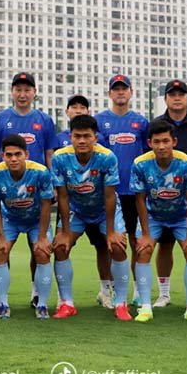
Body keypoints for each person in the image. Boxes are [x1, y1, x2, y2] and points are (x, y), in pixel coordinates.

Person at [50, 115, 131, 321]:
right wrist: (65, 231)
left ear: (95, 137)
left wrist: (112, 231)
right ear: (71, 137)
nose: (82, 140)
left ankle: (121, 303)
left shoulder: (107, 157)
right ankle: (66, 303)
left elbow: (110, 194)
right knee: (60, 246)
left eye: (87, 136)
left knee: (119, 246)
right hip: (77, 210)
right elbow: (63, 195)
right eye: (77, 136)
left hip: (105, 210)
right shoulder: (60, 158)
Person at [129, 120, 187, 324]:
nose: (161, 146)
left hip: (181, 216)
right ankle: (145, 306)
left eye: (166, 141)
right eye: (157, 142)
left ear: (174, 141)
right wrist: (145, 234)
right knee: (143, 250)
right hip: (153, 215)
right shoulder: (140, 164)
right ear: (149, 143)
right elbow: (139, 199)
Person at [151, 80, 187, 309]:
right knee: (164, 245)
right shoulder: (156, 124)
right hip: (163, 195)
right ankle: (164, 294)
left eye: (181, 94)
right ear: (165, 98)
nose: (177, 98)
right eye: (172, 94)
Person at [51, 94, 111, 311]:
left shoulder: (102, 146)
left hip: (98, 203)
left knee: (105, 246)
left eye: (82, 107)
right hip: (72, 204)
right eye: (73, 106)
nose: (78, 110)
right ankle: (63, 298)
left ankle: (106, 292)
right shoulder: (59, 142)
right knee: (61, 244)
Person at [94, 74, 149, 307]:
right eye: (115, 89)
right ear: (109, 94)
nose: (120, 93)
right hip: (109, 192)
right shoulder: (99, 121)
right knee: (107, 243)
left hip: (134, 192)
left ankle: (137, 289)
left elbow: (148, 155)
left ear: (131, 92)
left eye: (123, 89)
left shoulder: (141, 122)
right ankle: (107, 289)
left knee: (136, 241)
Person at [0, 135, 56, 319]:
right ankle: (2, 303)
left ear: (26, 154)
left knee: (42, 252)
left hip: (36, 219)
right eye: (9, 155)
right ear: (3, 156)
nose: (13, 159)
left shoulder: (41, 172)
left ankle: (42, 305)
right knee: (1, 251)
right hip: (9, 218)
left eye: (18, 154)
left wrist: (42, 237)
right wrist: (0, 236)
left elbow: (46, 204)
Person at [0, 73, 57, 167]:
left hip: (37, 177)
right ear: (12, 91)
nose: (22, 95)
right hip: (6, 178)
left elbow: (49, 154)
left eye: (27, 90)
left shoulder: (45, 120)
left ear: (34, 91)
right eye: (18, 90)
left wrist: (52, 179)